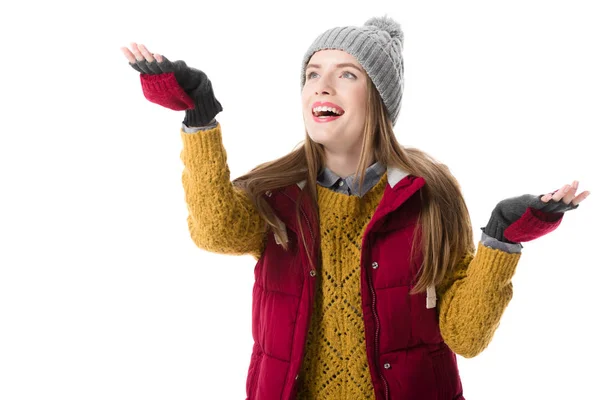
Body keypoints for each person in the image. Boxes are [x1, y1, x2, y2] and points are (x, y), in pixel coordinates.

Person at [121, 15, 589, 400]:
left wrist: (499, 241)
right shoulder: (278, 195)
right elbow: (216, 231)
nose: (323, 86)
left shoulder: (429, 195)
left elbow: (464, 335)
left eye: (347, 74)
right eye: (312, 74)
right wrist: (200, 117)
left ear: (380, 99)